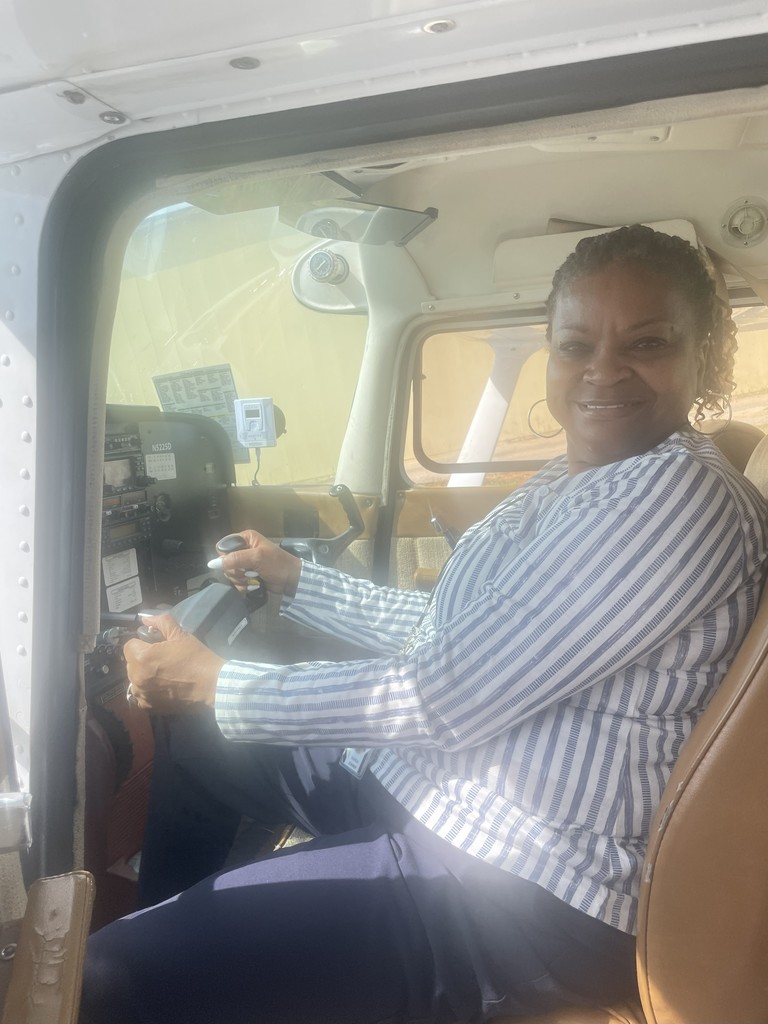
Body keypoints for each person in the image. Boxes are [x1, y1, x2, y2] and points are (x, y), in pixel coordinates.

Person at [79, 225, 767, 1024]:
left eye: (647, 342)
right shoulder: (581, 477)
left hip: (522, 886)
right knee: (199, 746)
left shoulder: (675, 497)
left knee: (106, 976)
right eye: (576, 345)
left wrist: (217, 683)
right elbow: (458, 631)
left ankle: (162, 979)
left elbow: (443, 694)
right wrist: (296, 580)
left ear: (702, 355)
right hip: (443, 796)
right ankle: (189, 975)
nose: (603, 370)